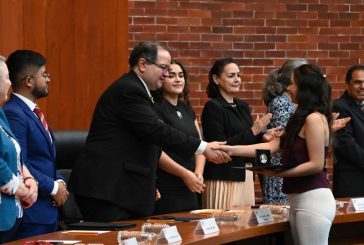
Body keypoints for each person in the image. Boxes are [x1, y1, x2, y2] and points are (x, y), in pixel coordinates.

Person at [69, 41, 230, 222]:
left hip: (122, 189)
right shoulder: (129, 90)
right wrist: (202, 147)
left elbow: (145, 141)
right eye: (163, 67)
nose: (167, 74)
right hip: (106, 190)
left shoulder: (142, 92)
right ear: (143, 64)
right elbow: (155, 130)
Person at [220, 64, 336, 245]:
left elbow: (316, 164)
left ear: (304, 88)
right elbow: (272, 146)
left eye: (293, 84)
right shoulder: (300, 117)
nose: (289, 88)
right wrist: (231, 149)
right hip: (297, 198)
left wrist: (279, 173)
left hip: (313, 198)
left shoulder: (314, 118)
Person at [3, 50, 68, 239]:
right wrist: (54, 188)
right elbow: (20, 163)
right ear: (29, 81)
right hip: (32, 213)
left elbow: (46, 158)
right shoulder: (14, 113)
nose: (48, 79)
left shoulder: (33, 112)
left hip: (48, 211)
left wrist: (60, 181)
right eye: (44, 74)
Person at [201, 58, 275, 210]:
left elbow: (248, 138)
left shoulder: (242, 105)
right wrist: (254, 130)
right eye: (231, 76)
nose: (237, 79)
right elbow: (219, 147)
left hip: (246, 174)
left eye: (238, 75)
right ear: (216, 79)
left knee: (246, 225)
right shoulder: (213, 107)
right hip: (224, 177)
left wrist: (263, 135)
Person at [153, 60, 206, 214]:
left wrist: (198, 173)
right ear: (162, 80)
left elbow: (200, 145)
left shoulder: (187, 109)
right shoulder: (155, 108)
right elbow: (156, 151)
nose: (178, 79)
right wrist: (185, 174)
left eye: (181, 76)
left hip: (191, 183)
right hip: (167, 183)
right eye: (171, 75)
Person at [0, 55, 37, 243]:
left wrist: (29, 178)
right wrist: (21, 189)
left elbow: (14, 152)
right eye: (7, 77)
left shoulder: (0, 113)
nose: (10, 83)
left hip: (11, 216)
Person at [261, 58, 308, 204]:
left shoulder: (292, 102)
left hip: (289, 165)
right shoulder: (280, 103)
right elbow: (283, 136)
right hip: (280, 168)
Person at [332, 65, 364, 198]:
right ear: (347, 84)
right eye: (357, 82)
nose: (362, 86)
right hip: (352, 182)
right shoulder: (340, 106)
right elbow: (347, 144)